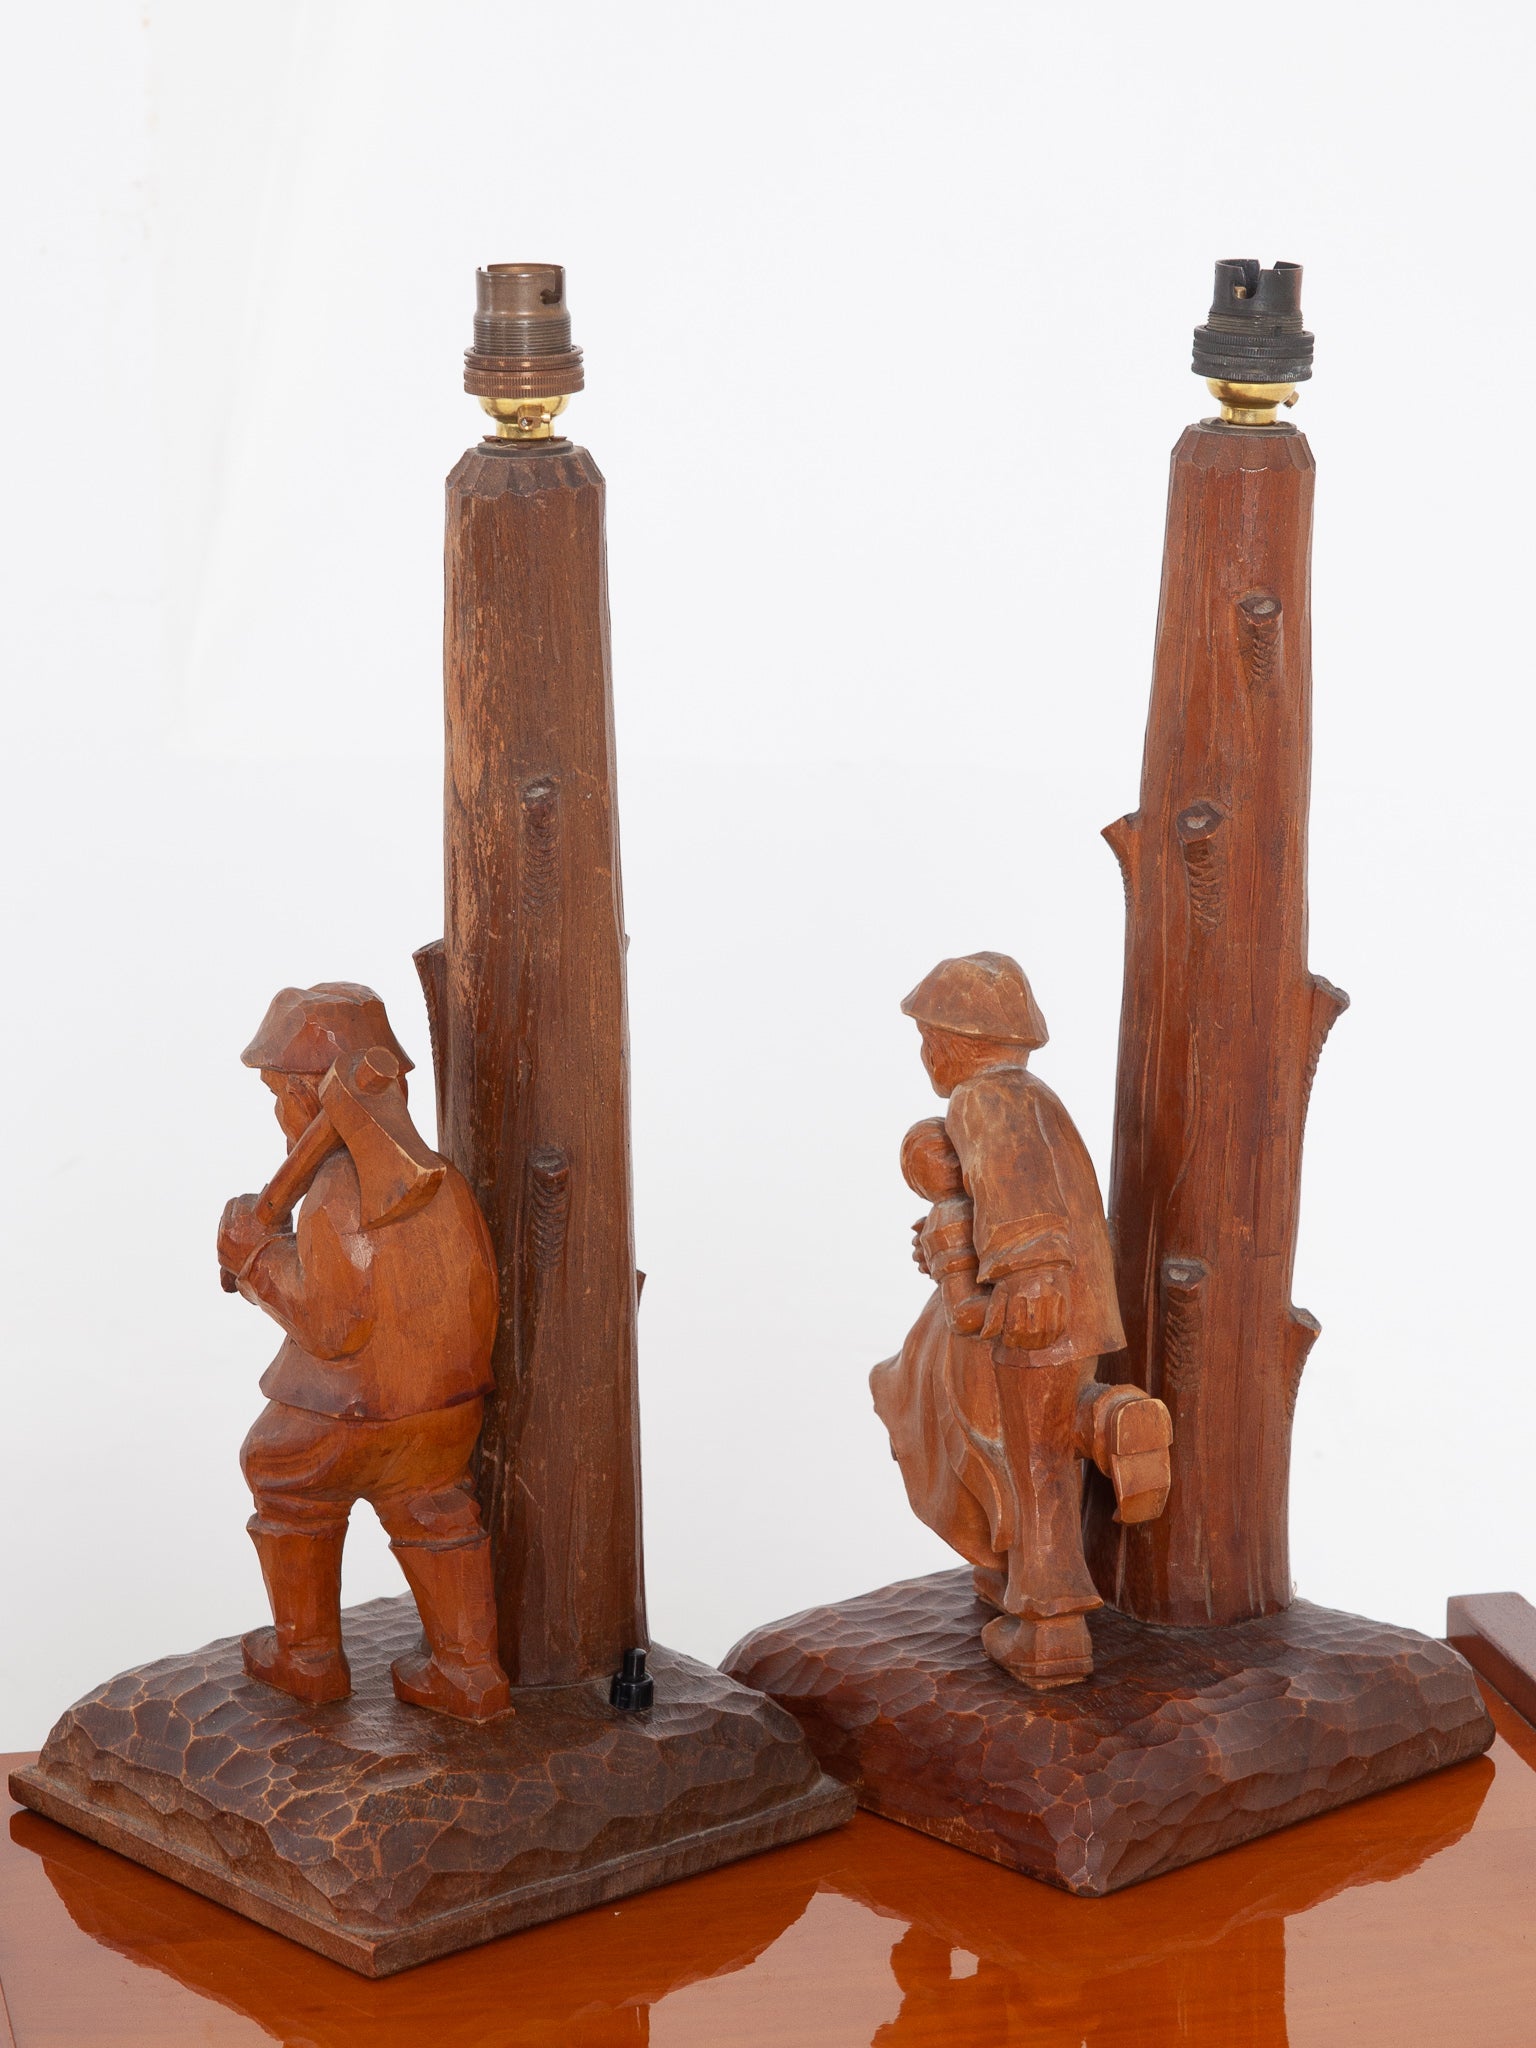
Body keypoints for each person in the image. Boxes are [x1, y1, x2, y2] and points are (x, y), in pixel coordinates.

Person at [871, 952, 1171, 1687]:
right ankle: (1102, 1424)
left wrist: (1030, 1276)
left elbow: (1023, 1195)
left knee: (1034, 1467)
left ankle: (1048, 1628)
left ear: (955, 1042)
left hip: (1033, 1313)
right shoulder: (1030, 1097)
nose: (925, 1055)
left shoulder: (985, 1101)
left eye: (928, 1039)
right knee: (1022, 1442)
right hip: (1059, 1311)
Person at [216, 982, 511, 1721]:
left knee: (279, 1470)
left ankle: (308, 1656)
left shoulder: (337, 1193)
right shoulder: (447, 1181)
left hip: (352, 1415)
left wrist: (256, 1259)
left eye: (279, 1095)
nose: (279, 1113)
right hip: (444, 1413)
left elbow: (331, 1326)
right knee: (435, 1504)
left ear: (310, 1097)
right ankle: (469, 1672)